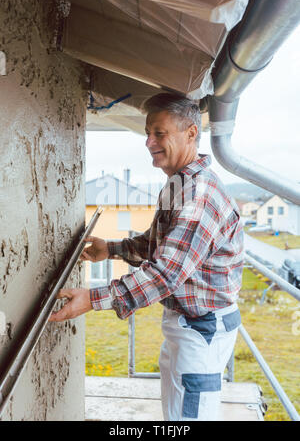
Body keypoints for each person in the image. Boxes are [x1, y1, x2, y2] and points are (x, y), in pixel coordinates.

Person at [49, 93, 244, 421]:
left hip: (202, 329)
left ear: (191, 133)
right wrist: (110, 249)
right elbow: (158, 246)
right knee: (177, 416)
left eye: (160, 133)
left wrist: (93, 299)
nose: (149, 142)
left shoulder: (198, 197)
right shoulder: (178, 185)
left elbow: (166, 273)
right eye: (147, 133)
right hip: (187, 323)